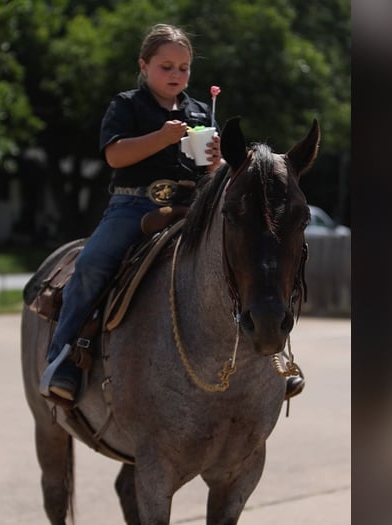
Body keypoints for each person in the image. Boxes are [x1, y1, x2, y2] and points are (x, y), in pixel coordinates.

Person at [45, 23, 304, 402]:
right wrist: (161, 138)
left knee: (252, 259)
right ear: (144, 65)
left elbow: (211, 174)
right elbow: (114, 155)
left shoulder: (199, 110)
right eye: (166, 67)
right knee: (92, 266)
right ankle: (63, 358)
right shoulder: (127, 105)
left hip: (192, 207)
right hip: (134, 204)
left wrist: (216, 163)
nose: (176, 75)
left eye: (183, 68)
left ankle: (273, 358)